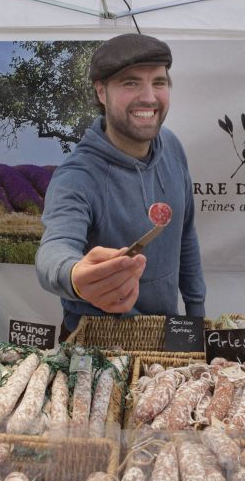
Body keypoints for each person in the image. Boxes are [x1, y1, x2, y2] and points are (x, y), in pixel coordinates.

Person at [35, 33, 206, 336]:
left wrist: (196, 312)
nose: (149, 97)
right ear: (101, 92)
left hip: (165, 332)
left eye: (159, 82)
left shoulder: (171, 145)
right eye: (131, 83)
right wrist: (75, 275)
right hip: (97, 341)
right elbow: (54, 249)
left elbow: (185, 234)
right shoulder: (77, 176)